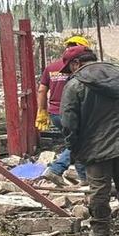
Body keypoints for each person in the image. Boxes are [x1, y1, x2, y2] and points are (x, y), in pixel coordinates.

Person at [59, 46, 119, 236]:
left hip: (95, 147)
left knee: (99, 190)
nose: (69, 73)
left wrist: (74, 146)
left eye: (69, 68)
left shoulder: (75, 85)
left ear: (76, 63)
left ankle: (101, 232)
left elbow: (69, 122)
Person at [37, 36, 90, 185]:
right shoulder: (79, 67)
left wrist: (42, 111)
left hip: (55, 113)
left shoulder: (51, 67)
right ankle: (56, 169)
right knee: (78, 142)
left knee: (77, 142)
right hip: (72, 113)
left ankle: (84, 177)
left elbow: (41, 90)